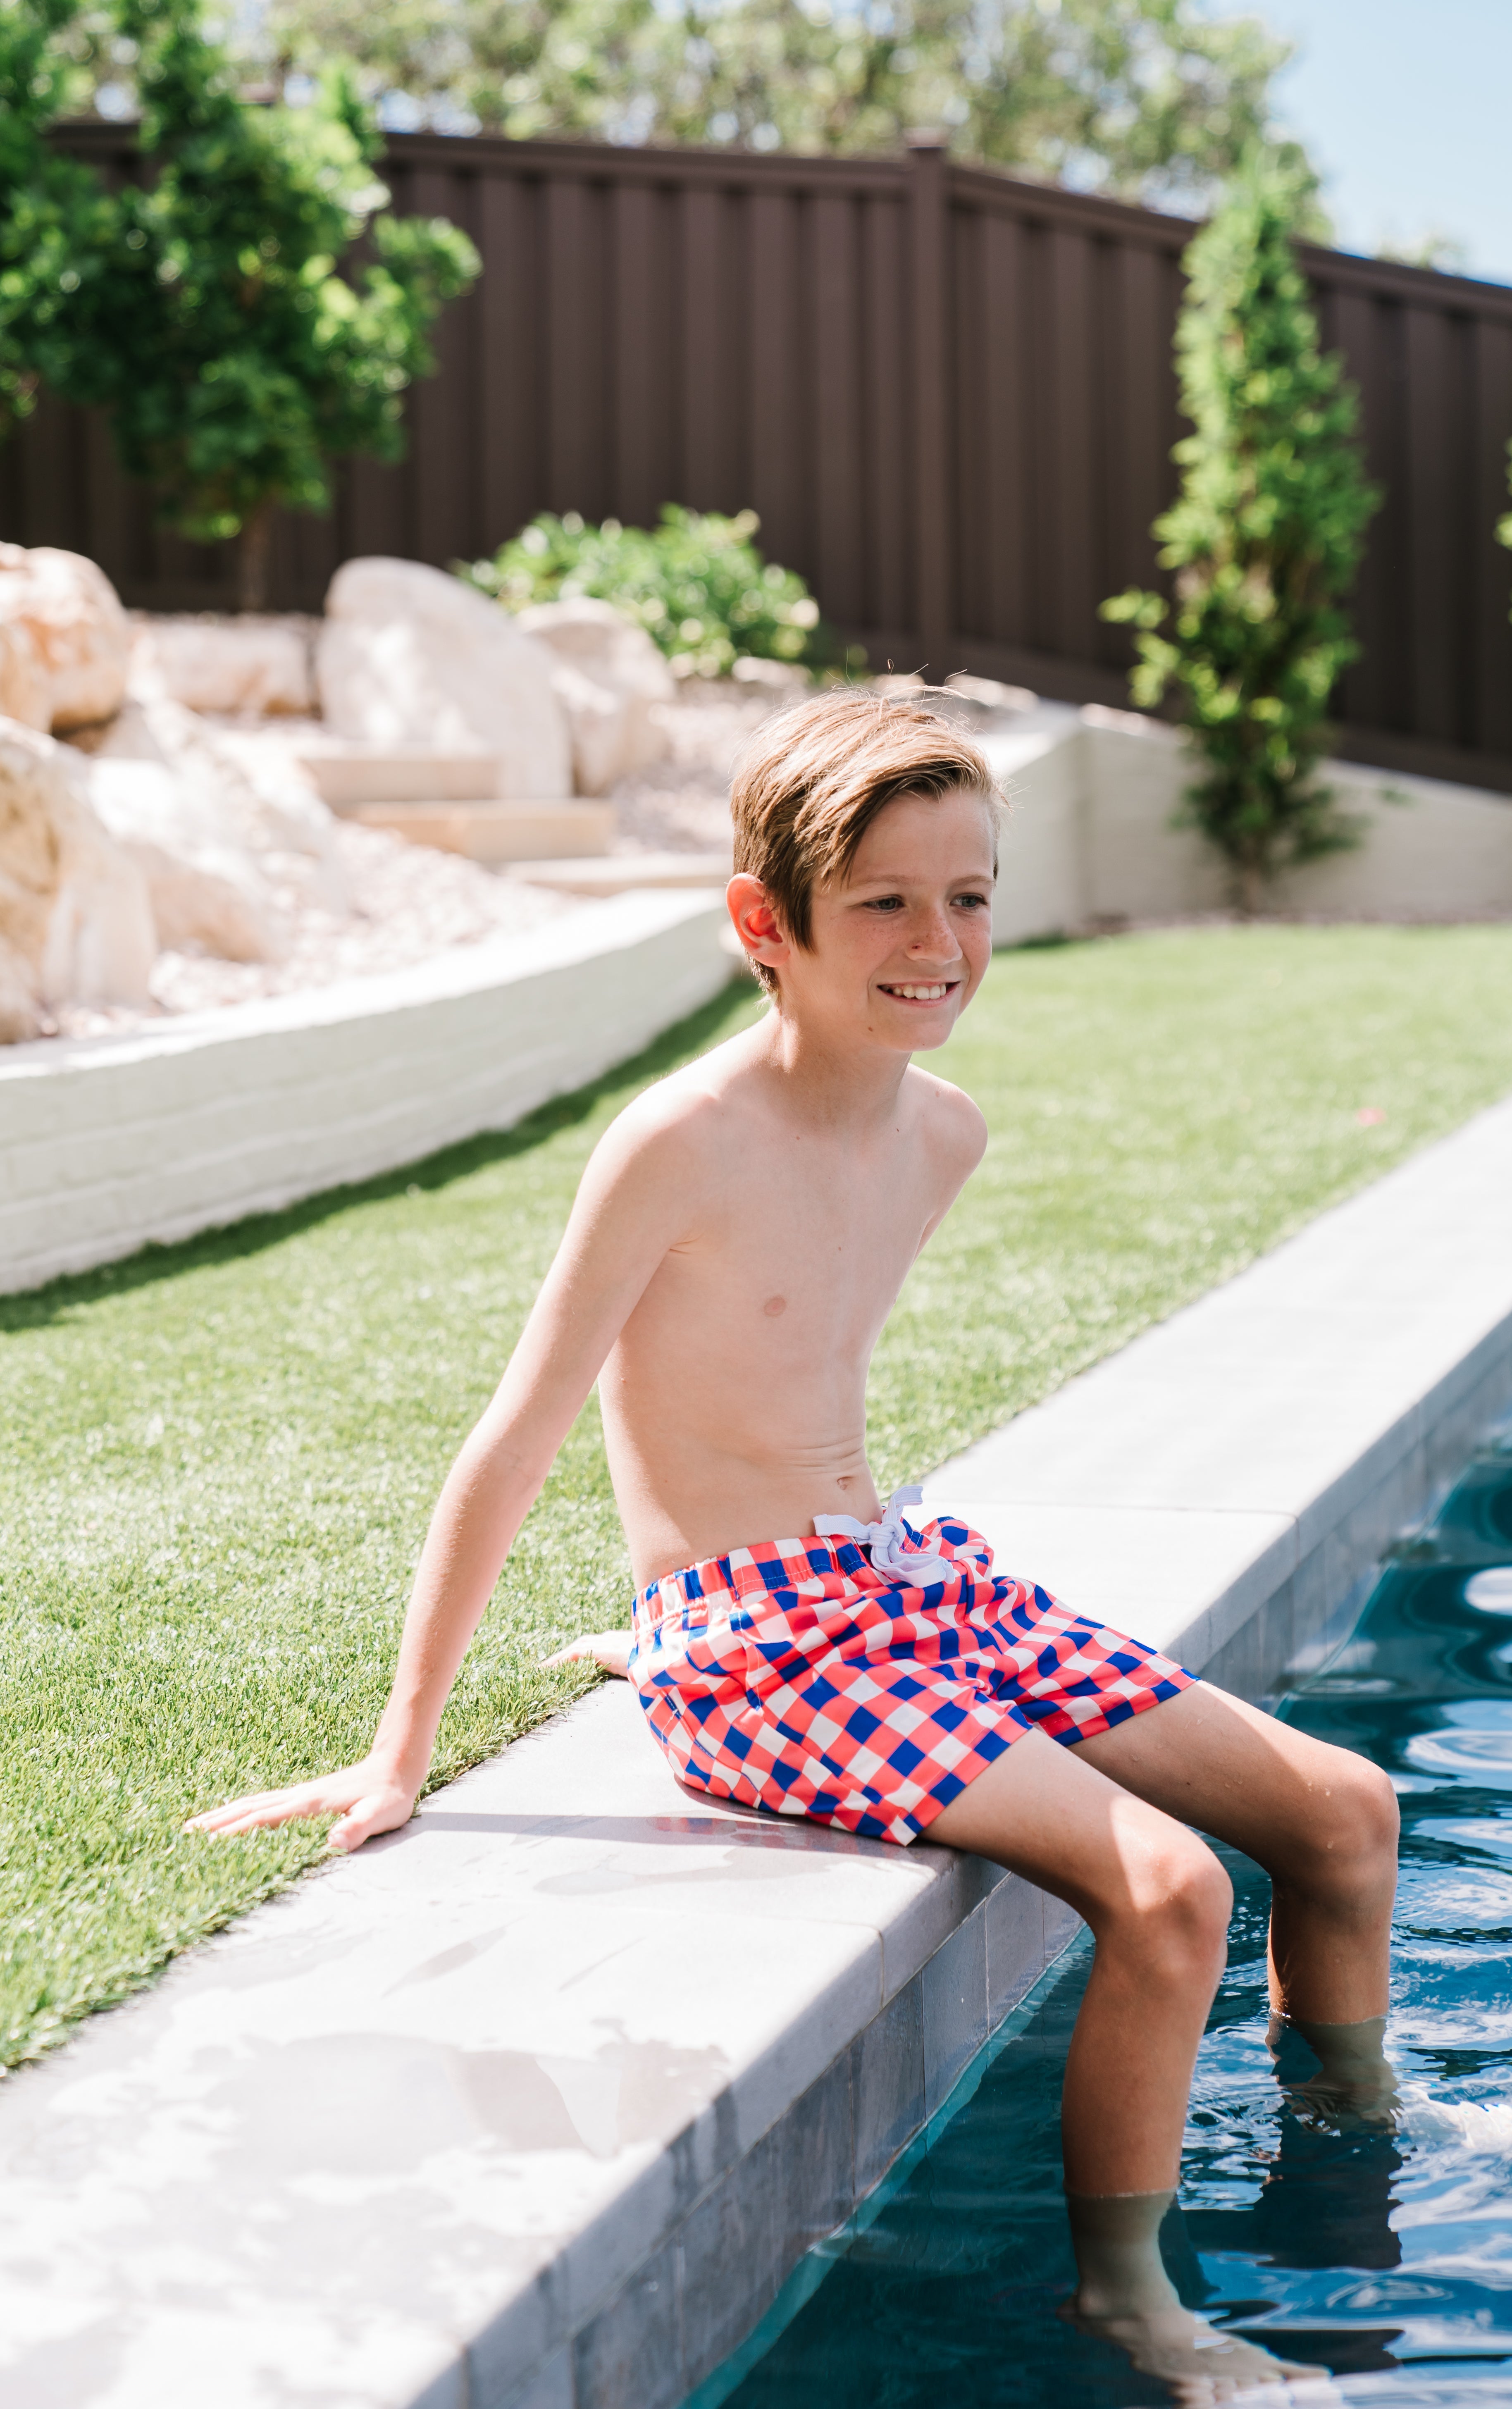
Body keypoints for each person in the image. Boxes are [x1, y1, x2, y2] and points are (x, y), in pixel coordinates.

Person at [188, 690, 1399, 2400]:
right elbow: (521, 1433)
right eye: (889, 903)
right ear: (769, 922)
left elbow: (785, 1398)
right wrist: (409, 1746)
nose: (940, 942)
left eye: (969, 895)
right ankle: (1134, 2302)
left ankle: (1352, 2173)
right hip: (760, 1646)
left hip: (905, 1583)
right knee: (1171, 1886)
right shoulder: (676, 1144)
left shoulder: (941, 1129)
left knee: (1344, 1811)